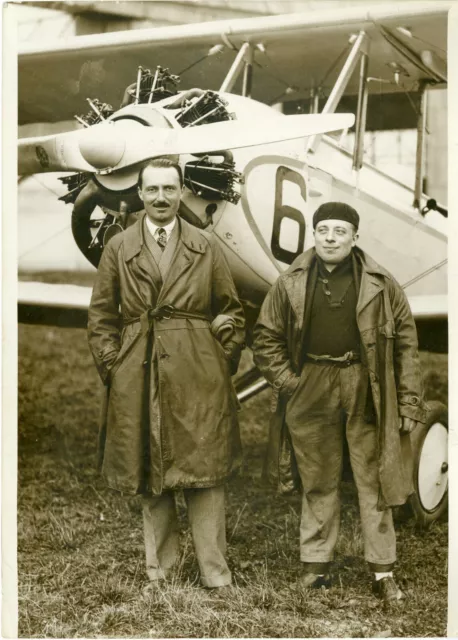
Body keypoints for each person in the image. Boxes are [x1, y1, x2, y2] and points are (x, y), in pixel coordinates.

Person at [252, 202, 427, 604]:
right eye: (323, 230)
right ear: (314, 235)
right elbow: (265, 337)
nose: (330, 238)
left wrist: (407, 401)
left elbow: (406, 344)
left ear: (354, 238)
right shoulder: (290, 281)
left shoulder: (382, 283)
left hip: (366, 384)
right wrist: (288, 381)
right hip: (310, 381)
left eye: (340, 231)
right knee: (317, 478)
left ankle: (383, 571)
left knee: (375, 479)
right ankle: (316, 566)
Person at [88, 157, 245, 593]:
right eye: (152, 189)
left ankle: (215, 573)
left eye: (169, 189)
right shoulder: (119, 247)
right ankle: (163, 572)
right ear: (139, 194)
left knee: (205, 469)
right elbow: (101, 316)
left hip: (198, 369)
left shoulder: (205, 245)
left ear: (181, 193)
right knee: (147, 467)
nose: (161, 198)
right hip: (137, 367)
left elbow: (231, 311)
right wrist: (114, 365)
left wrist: (218, 360)